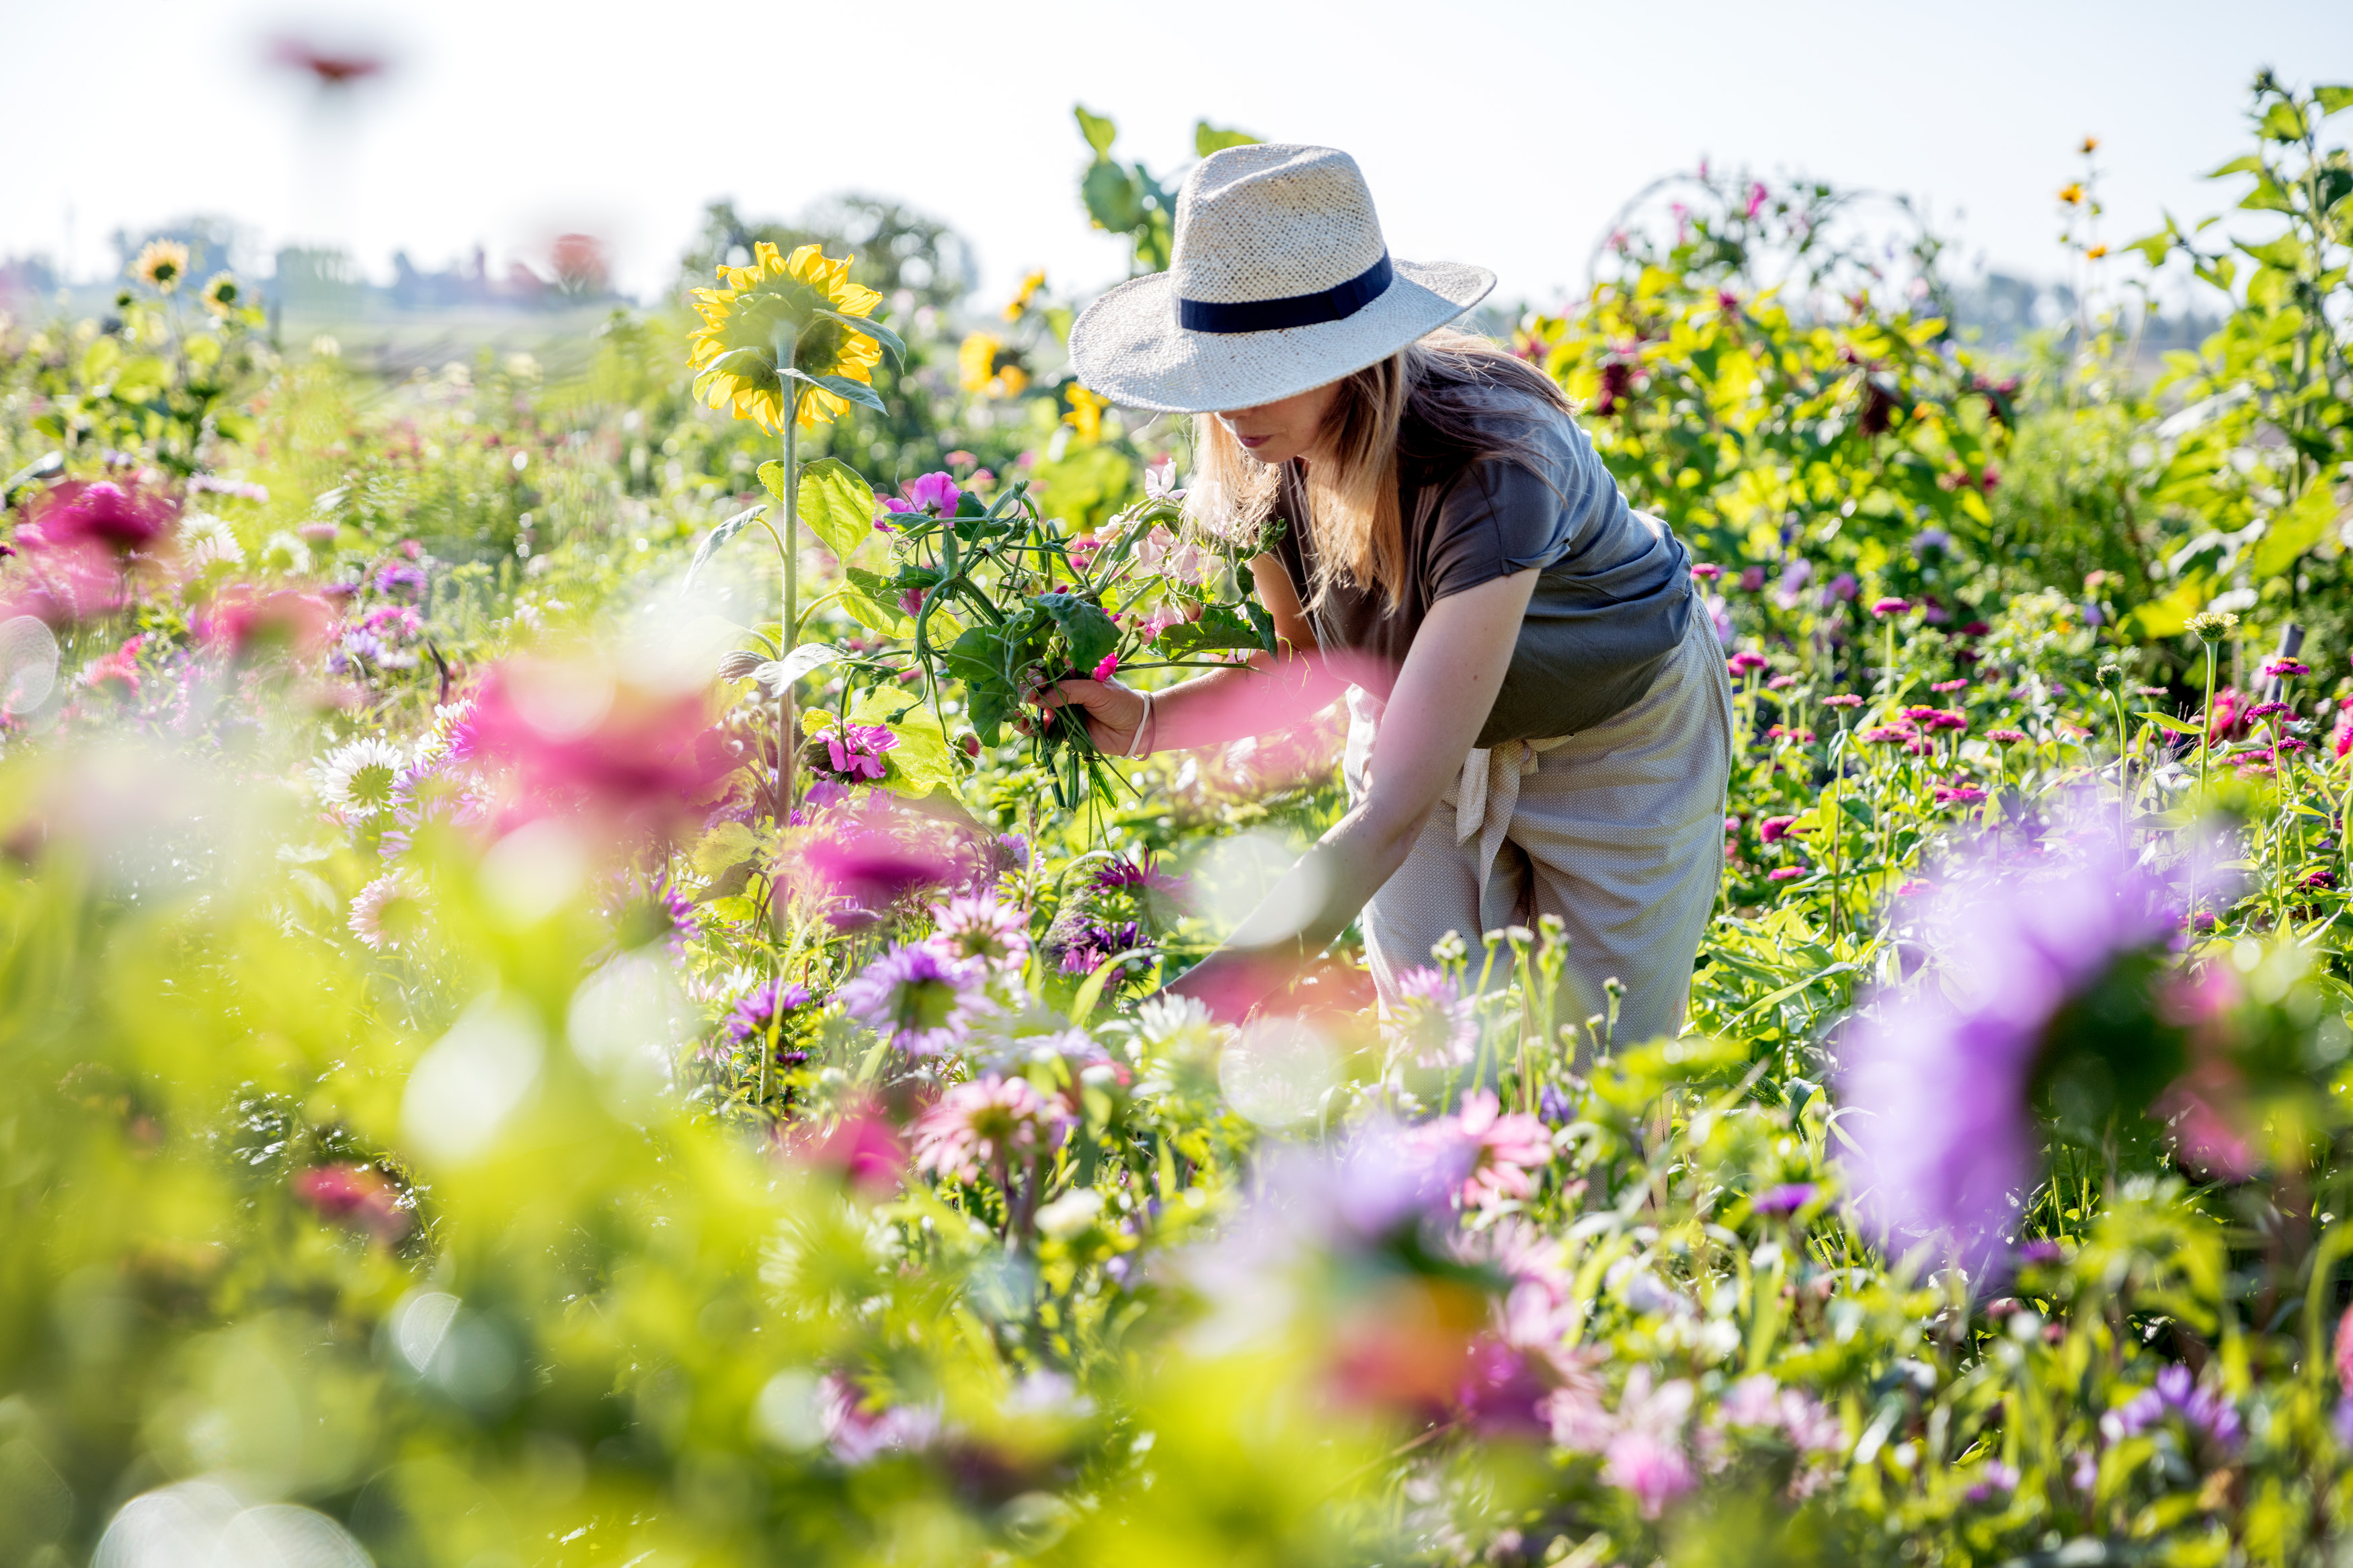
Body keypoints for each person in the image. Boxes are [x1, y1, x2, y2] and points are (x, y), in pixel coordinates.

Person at [1047, 142, 1734, 1042]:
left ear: (1350, 355)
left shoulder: (1493, 465)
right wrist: (1146, 720)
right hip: (1423, 726)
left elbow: (1387, 816)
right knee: (1433, 1052)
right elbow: (1308, 665)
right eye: (1216, 373)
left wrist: (1183, 1013)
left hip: (1616, 738)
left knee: (1599, 1079)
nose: (1229, 409)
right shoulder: (1267, 460)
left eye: (1260, 369)